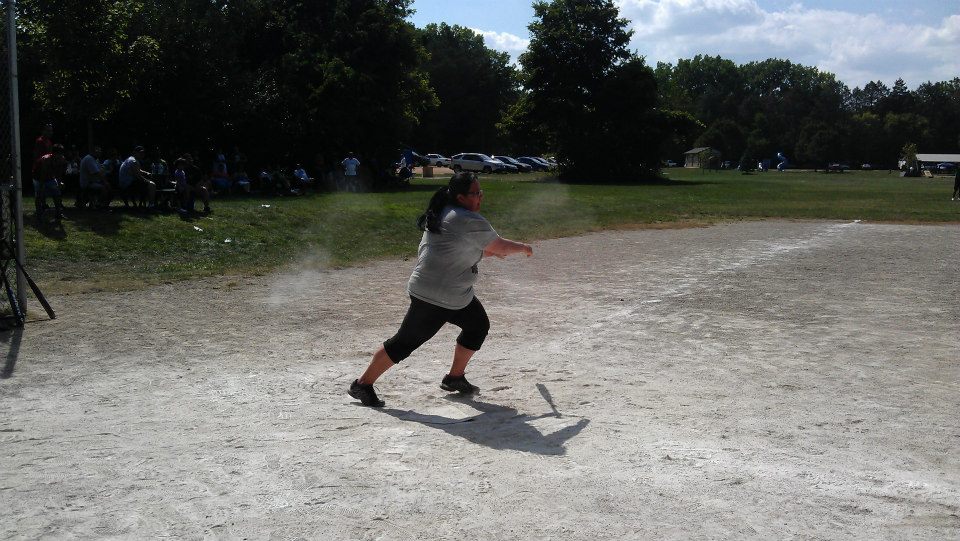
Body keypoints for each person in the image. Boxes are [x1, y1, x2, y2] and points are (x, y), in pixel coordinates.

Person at [348, 172, 534, 407]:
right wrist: (524, 247)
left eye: (480, 192)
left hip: (453, 294)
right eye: (475, 193)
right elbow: (500, 246)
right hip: (436, 296)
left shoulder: (446, 212)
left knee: (477, 326)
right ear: (460, 197)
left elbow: (458, 248)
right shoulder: (464, 218)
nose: (480, 197)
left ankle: (455, 378)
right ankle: (362, 385)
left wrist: (490, 251)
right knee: (404, 342)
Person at [34, 144, 67, 220]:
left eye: (61, 154)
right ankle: (39, 214)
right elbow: (43, 174)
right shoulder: (46, 159)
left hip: (50, 178)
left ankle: (58, 214)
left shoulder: (61, 159)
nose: (60, 156)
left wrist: (59, 183)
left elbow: (59, 174)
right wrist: (42, 185)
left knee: (57, 194)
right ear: (54, 153)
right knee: (39, 195)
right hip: (38, 178)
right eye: (59, 154)